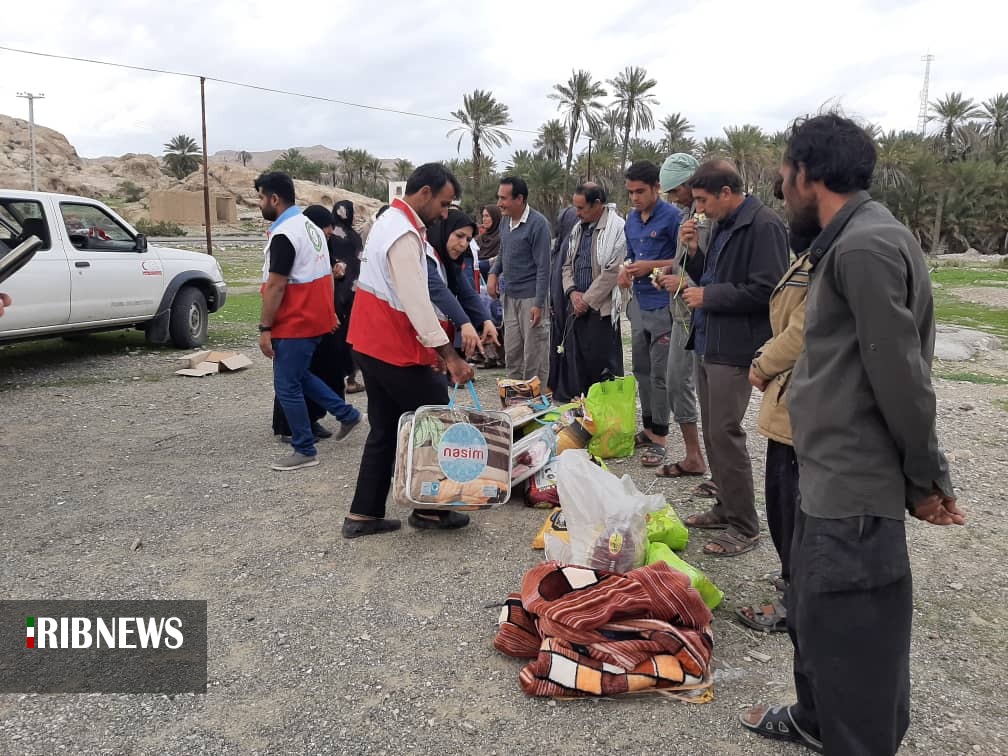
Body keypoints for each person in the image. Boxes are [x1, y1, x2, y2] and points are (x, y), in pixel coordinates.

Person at [741, 114, 964, 756]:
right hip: (826, 481)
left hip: (852, 499)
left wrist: (926, 479)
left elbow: (902, 379)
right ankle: (815, 721)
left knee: (856, 653)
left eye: (784, 175)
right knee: (819, 623)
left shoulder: (865, 247)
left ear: (807, 174)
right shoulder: (845, 241)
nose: (783, 191)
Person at [344, 163, 474, 539]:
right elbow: (416, 302)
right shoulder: (402, 232)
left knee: (385, 428)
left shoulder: (388, 221)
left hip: (371, 342)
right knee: (434, 420)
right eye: (444, 204)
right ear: (425, 193)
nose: (445, 213)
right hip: (392, 345)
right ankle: (431, 509)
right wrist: (450, 356)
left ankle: (363, 514)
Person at [680, 159, 788, 556]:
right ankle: (726, 507)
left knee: (725, 433)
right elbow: (713, 278)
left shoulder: (764, 226)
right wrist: (694, 253)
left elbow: (768, 290)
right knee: (713, 432)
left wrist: (709, 297)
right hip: (710, 340)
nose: (700, 209)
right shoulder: (724, 223)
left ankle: (745, 526)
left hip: (736, 346)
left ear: (727, 192)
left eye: (703, 200)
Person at [734, 177, 814, 633]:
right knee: (783, 502)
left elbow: (803, 328)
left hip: (803, 404)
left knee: (794, 508)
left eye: (792, 202)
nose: (788, 212)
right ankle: (792, 583)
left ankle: (797, 602)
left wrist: (764, 362)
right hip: (789, 401)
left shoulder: (835, 256)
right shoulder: (813, 252)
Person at [256, 172, 362, 472]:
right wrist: (328, 313)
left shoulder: (285, 233)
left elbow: (276, 285)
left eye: (261, 198)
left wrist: (265, 327)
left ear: (274, 198)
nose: (260, 204)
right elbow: (327, 273)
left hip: (294, 320)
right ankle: (347, 414)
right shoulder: (311, 228)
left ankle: (304, 448)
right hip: (313, 318)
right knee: (300, 376)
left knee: (287, 385)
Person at [617, 161, 682, 468]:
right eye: (630, 192)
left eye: (640, 191)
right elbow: (631, 255)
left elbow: (684, 260)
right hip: (639, 304)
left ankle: (661, 438)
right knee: (641, 369)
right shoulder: (631, 219)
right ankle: (648, 427)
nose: (635, 198)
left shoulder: (674, 218)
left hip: (664, 304)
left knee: (660, 373)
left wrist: (651, 266)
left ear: (657, 187)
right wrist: (625, 269)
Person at [652, 153, 709, 481]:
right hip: (682, 313)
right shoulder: (689, 215)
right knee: (676, 382)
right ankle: (694, 455)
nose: (673, 198)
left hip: (704, 315)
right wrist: (667, 274)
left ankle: (713, 466)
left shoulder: (712, 219)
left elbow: (714, 271)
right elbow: (684, 261)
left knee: (707, 392)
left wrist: (684, 282)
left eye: (676, 191)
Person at [270, 204, 347, 442]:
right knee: (292, 376)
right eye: (325, 233)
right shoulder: (290, 242)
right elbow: (277, 285)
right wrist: (266, 327)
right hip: (297, 321)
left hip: (318, 322)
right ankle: (290, 429)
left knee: (315, 371)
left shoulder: (320, 247)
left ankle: (311, 420)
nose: (326, 238)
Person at [550, 183, 625, 401]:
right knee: (578, 365)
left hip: (601, 310)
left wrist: (587, 300)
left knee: (602, 366)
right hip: (576, 306)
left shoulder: (617, 229)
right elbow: (566, 266)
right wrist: (572, 293)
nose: (577, 213)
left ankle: (606, 413)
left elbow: (613, 270)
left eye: (581, 208)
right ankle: (583, 411)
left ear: (597, 204)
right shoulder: (577, 230)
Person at [486, 176, 552, 382]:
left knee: (534, 355)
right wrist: (493, 273)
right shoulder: (505, 221)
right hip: (509, 297)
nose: (499, 203)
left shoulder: (538, 225)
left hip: (531, 299)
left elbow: (544, 267)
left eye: (503, 198)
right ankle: (514, 398)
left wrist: (539, 304)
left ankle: (536, 399)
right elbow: (503, 251)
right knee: (513, 354)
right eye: (499, 197)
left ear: (519, 199)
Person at [425, 209, 500, 361]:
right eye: (459, 236)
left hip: (435, 339)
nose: (463, 244)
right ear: (444, 231)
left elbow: (467, 293)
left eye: (468, 239)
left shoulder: (450, 262)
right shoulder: (425, 255)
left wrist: (486, 321)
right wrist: (464, 323)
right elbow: (438, 290)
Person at [330, 200, 366, 394]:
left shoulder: (328, 236)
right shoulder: (354, 237)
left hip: (332, 293)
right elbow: (361, 262)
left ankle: (335, 379)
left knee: (335, 336)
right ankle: (351, 379)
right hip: (353, 294)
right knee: (351, 336)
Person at [474, 205, 502, 281]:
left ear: (495, 217)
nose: (484, 219)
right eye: (483, 216)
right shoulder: (480, 238)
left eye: (487, 216)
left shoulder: (502, 237)